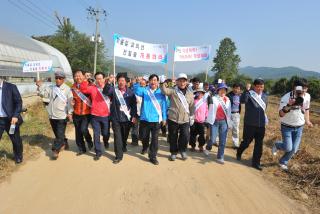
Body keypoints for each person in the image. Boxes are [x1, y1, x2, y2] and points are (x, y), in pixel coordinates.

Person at [272, 79, 313, 171]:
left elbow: (306, 109)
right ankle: (277, 145)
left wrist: (308, 121)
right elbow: (281, 114)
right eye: (301, 88)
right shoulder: (286, 97)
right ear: (294, 88)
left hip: (299, 126)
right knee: (288, 147)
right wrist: (289, 105)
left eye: (305, 88)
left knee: (294, 149)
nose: (303, 91)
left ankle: (283, 162)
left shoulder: (307, 96)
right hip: (287, 126)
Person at [36, 71, 73, 160]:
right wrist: (40, 86)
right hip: (52, 115)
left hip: (62, 115)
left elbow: (70, 102)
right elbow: (43, 94)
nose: (58, 80)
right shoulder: (51, 87)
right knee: (58, 134)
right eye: (56, 78)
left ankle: (55, 150)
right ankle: (64, 143)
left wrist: (70, 113)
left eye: (60, 78)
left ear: (63, 79)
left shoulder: (67, 89)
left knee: (59, 134)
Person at [103, 73, 137, 164]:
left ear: (126, 82)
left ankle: (124, 145)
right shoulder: (113, 90)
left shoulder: (130, 93)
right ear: (117, 82)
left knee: (124, 136)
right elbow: (105, 92)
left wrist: (134, 116)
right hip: (116, 118)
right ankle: (118, 156)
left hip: (127, 119)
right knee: (117, 137)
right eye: (119, 80)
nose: (121, 82)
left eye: (123, 81)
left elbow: (134, 105)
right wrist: (108, 82)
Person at [133, 74, 167, 165]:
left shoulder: (161, 92)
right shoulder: (145, 91)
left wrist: (164, 118)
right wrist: (137, 82)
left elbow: (164, 105)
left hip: (156, 120)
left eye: (155, 80)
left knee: (155, 139)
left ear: (157, 82)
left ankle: (153, 156)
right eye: (151, 80)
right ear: (149, 81)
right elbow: (136, 91)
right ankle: (145, 146)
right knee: (144, 137)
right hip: (145, 119)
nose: (153, 82)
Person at [160, 73, 194, 161]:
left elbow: (192, 106)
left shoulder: (190, 93)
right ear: (177, 82)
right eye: (180, 81)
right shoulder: (172, 91)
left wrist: (192, 117)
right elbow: (164, 91)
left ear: (186, 82)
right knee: (173, 136)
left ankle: (182, 151)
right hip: (173, 118)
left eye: (184, 81)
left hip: (185, 119)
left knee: (185, 136)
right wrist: (162, 82)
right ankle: (173, 152)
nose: (182, 83)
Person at [236, 78, 268, 171]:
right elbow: (242, 100)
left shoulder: (265, 96)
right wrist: (247, 90)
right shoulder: (249, 94)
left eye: (261, 87)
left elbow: (265, 108)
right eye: (257, 87)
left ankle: (256, 163)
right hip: (249, 123)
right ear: (254, 86)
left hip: (261, 125)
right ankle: (239, 152)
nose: (259, 89)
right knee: (246, 142)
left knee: (259, 144)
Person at [80, 72, 111, 160]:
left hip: (105, 116)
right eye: (97, 79)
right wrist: (85, 80)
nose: (99, 80)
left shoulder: (108, 88)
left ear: (104, 79)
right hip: (94, 116)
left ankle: (106, 140)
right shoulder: (92, 88)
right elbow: (83, 90)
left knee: (105, 133)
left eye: (100, 78)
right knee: (96, 134)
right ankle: (98, 152)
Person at [204, 83, 231, 164]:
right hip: (215, 121)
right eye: (221, 89)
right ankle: (208, 148)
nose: (223, 91)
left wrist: (229, 123)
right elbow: (206, 100)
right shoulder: (213, 98)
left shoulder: (228, 100)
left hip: (224, 122)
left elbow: (229, 112)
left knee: (222, 141)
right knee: (212, 139)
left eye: (224, 89)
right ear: (218, 90)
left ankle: (220, 157)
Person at [0, 78, 23, 164]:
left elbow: (18, 102)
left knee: (15, 139)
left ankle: (18, 156)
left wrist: (15, 115)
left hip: (10, 119)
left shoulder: (11, 87)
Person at [71, 70, 93, 155]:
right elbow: (71, 98)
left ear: (83, 76)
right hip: (76, 113)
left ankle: (89, 140)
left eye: (80, 75)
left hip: (86, 113)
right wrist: (72, 101)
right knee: (78, 131)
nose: (78, 77)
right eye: (76, 76)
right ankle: (81, 148)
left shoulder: (89, 85)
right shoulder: (73, 87)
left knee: (83, 129)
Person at [189, 87, 208, 152]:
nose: (199, 94)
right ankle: (193, 146)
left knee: (202, 135)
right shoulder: (193, 101)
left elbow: (206, 111)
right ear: (196, 94)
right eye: (198, 93)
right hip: (194, 121)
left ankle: (201, 146)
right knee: (193, 134)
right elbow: (190, 109)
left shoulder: (205, 102)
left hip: (201, 121)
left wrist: (206, 117)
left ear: (203, 94)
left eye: (201, 93)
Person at [227, 83, 242, 149]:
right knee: (226, 128)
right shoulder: (228, 95)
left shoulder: (240, 96)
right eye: (235, 88)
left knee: (235, 129)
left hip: (236, 114)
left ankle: (235, 144)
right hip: (228, 114)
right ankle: (222, 142)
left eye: (238, 89)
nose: (237, 90)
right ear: (233, 88)